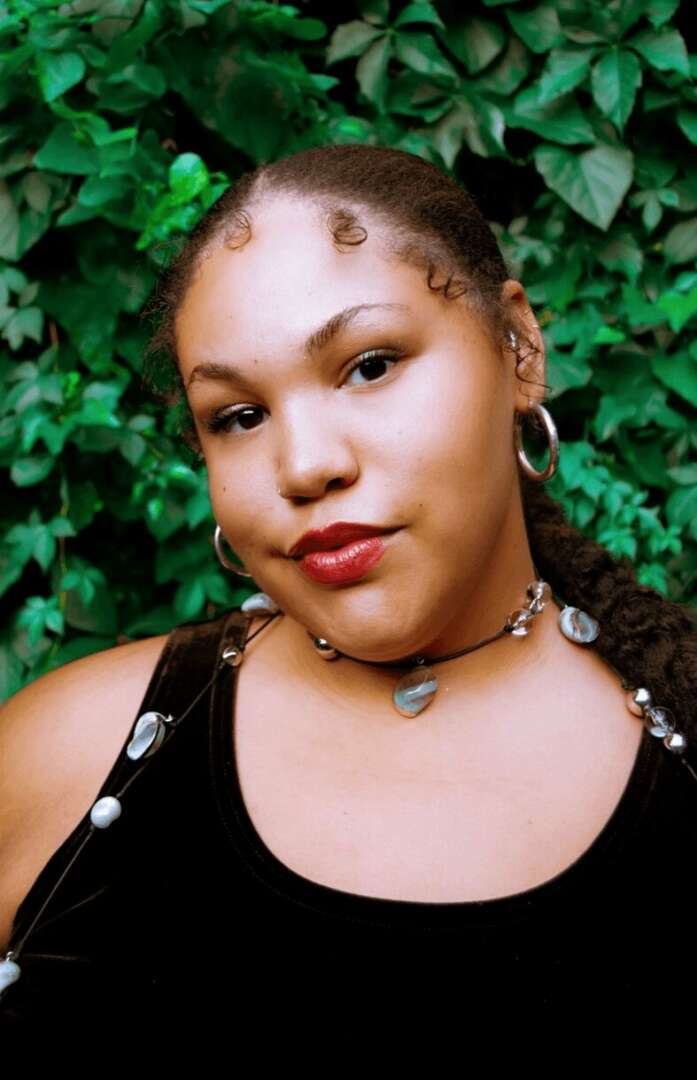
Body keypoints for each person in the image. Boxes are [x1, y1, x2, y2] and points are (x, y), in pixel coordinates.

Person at [1, 143, 696, 1037]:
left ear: (518, 347)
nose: (304, 466)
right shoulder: (68, 755)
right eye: (239, 417)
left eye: (369, 366)